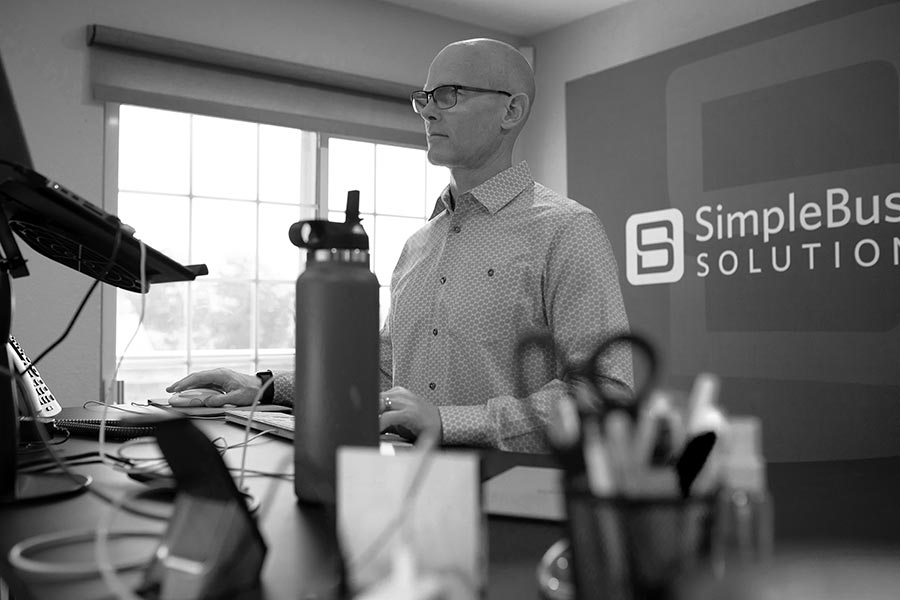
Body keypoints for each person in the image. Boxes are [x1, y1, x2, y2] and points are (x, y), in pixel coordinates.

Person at [167, 38, 632, 453]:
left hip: (512, 499)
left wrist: (449, 422)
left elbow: (606, 393)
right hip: (405, 484)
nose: (429, 111)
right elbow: (384, 370)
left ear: (511, 111)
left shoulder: (568, 229)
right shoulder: (418, 245)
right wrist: (267, 388)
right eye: (425, 98)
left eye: (450, 95)